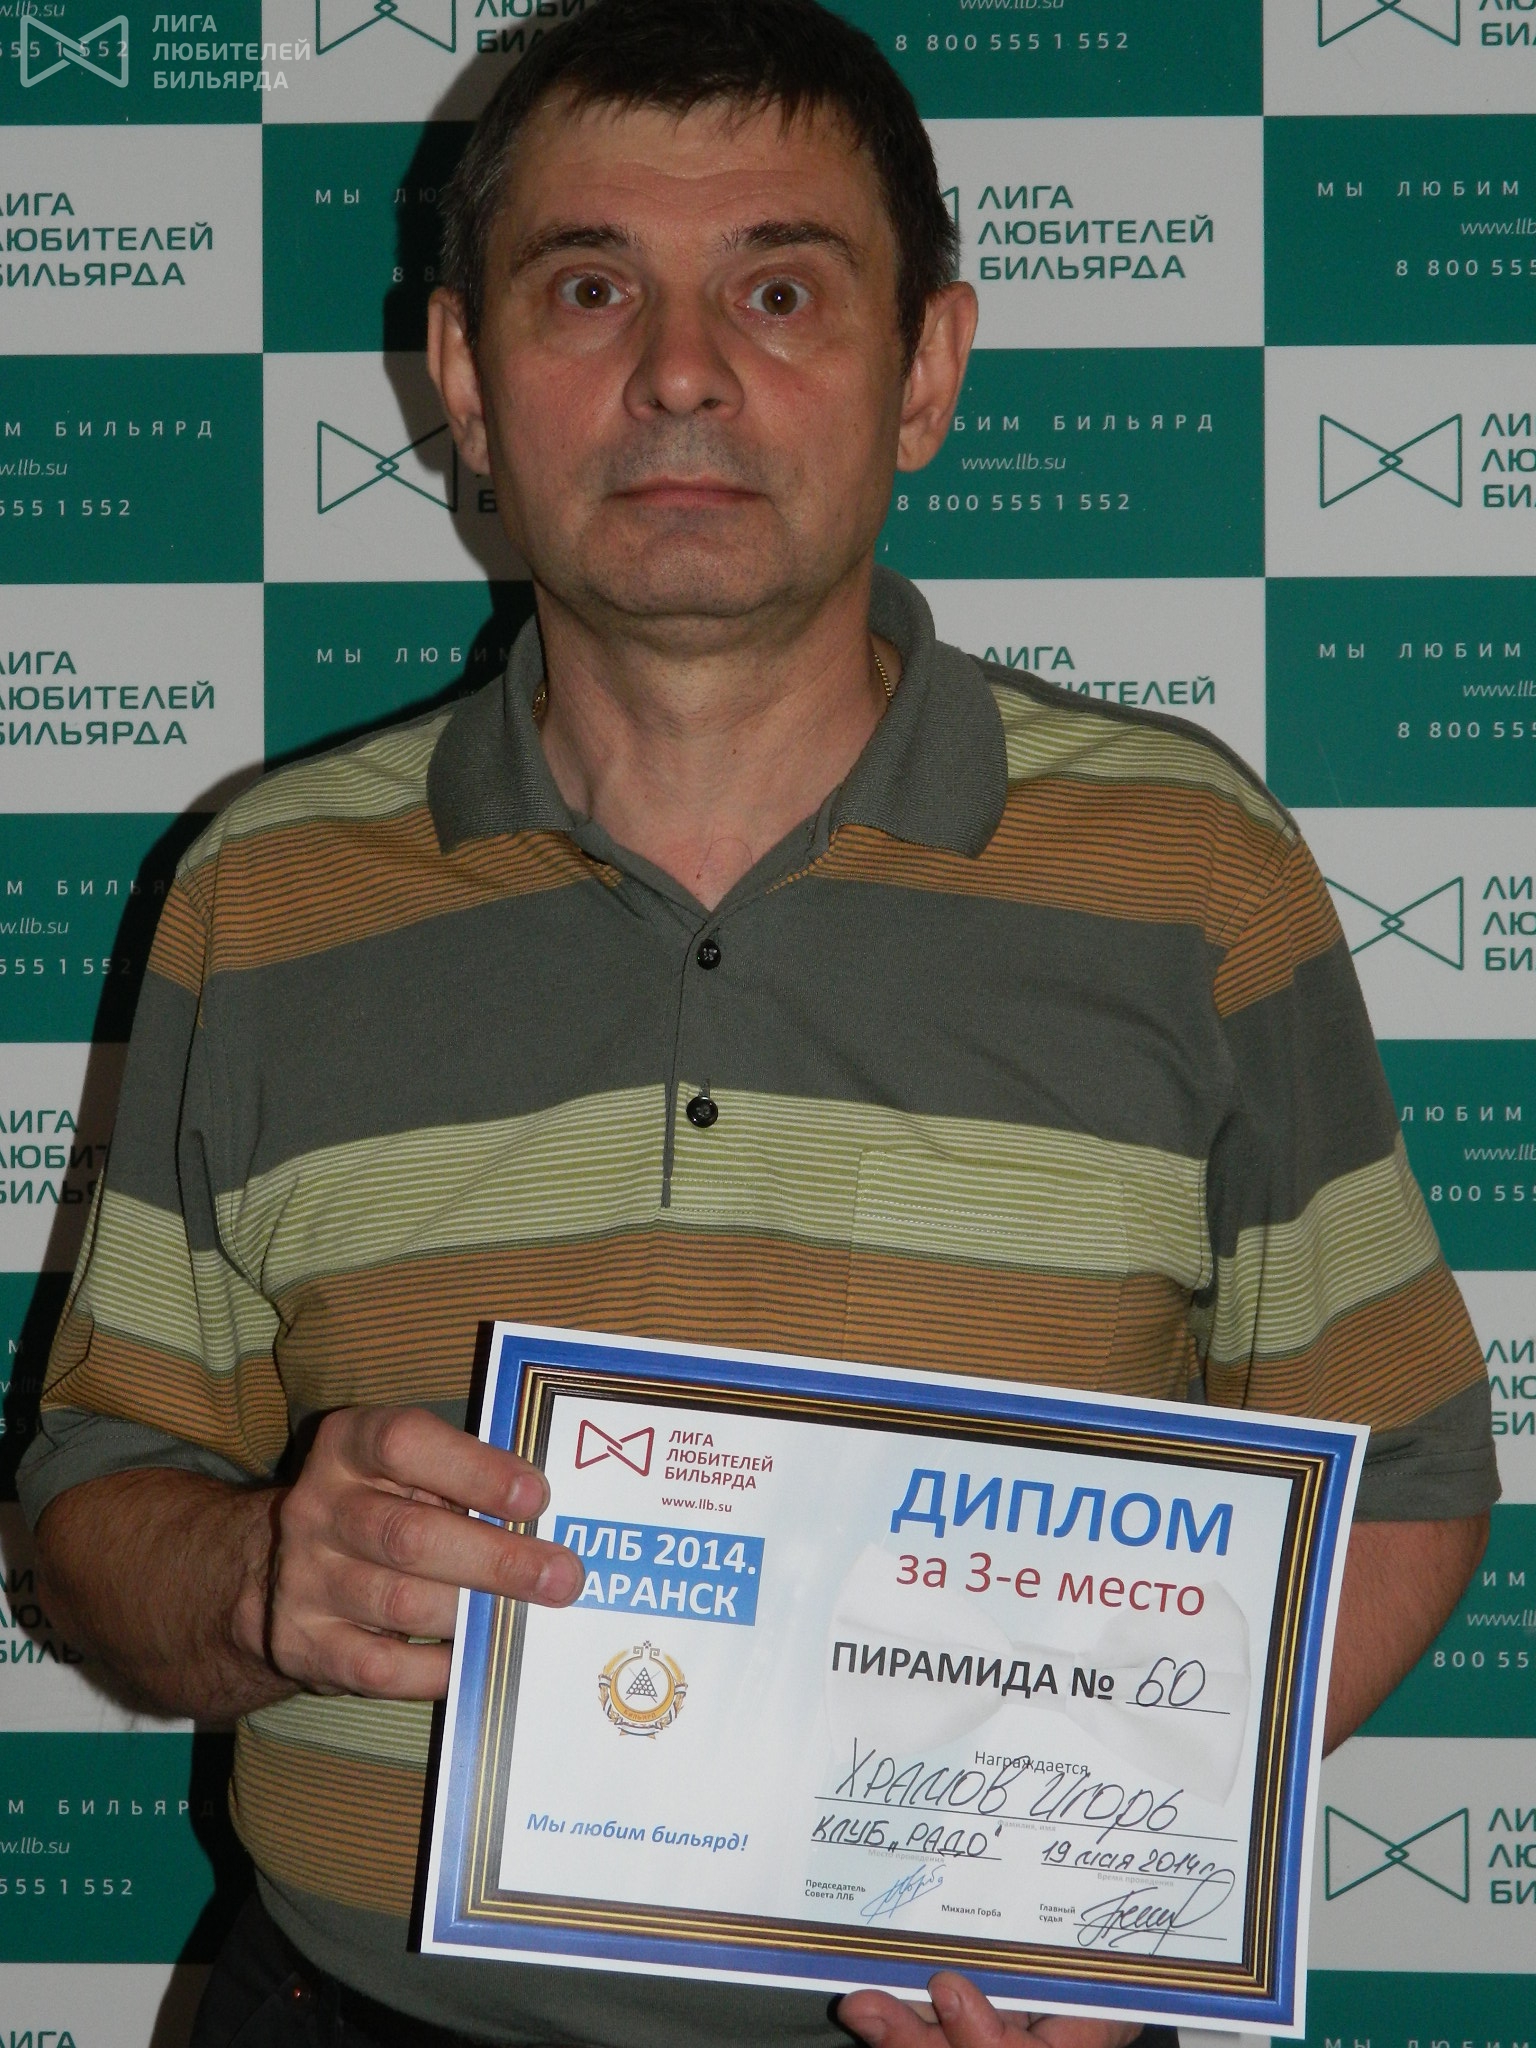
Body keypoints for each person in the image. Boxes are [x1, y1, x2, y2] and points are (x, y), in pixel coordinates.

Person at [24, 2, 1495, 2045]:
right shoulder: (262, 890)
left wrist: (1123, 1884)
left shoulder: (1192, 872)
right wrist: (261, 1571)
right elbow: (94, 1500)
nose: (683, 370)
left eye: (781, 290)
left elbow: (1401, 1478)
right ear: (465, 378)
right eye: (589, 287)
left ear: (927, 373)